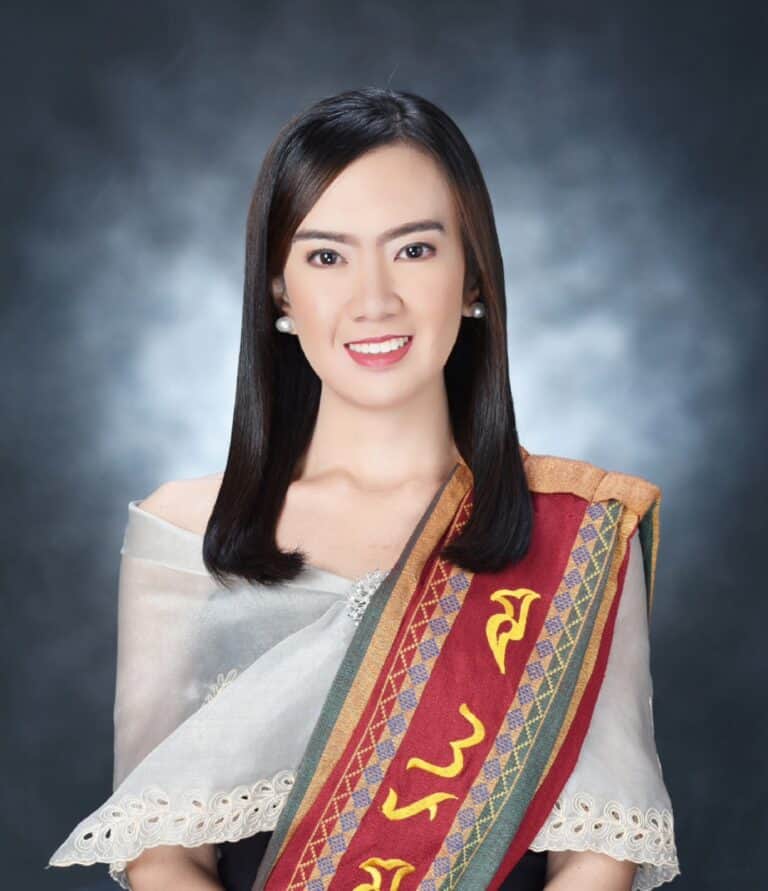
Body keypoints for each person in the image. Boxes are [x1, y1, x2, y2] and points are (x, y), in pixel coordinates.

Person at [47, 87, 680, 890]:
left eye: (414, 250)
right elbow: (162, 851)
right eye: (326, 256)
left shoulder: (582, 537)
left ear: (474, 276)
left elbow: (598, 855)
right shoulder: (183, 536)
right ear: (280, 292)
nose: (374, 299)